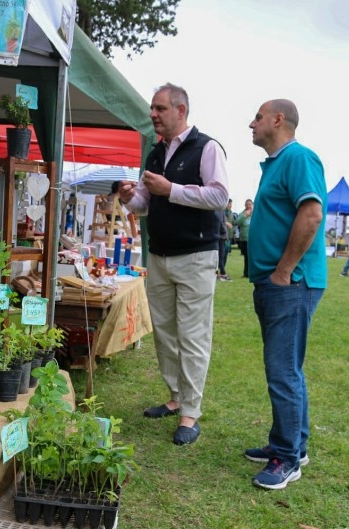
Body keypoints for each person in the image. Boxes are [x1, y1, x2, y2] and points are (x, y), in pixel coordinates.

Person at [116, 82, 229, 446]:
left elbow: (219, 196)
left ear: (181, 111)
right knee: (164, 332)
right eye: (152, 108)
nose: (153, 115)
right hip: (159, 256)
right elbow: (146, 204)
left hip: (196, 257)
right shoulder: (155, 152)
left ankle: (190, 413)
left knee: (193, 335)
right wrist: (130, 197)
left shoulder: (207, 147)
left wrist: (171, 190)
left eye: (160, 109)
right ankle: (176, 396)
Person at [243, 99, 327, 490]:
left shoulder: (299, 158)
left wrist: (284, 270)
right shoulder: (278, 163)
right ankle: (292, 443)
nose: (252, 123)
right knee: (287, 367)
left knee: (282, 370)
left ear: (278, 120)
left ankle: (287, 458)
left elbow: (311, 215)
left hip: (291, 283)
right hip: (279, 282)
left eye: (258, 117)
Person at [235, 198, 253, 277]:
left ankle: (252, 273)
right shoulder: (242, 214)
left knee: (252, 257)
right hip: (244, 239)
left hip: (253, 239)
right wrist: (245, 215)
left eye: (250, 204)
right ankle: (246, 273)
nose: (248, 206)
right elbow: (237, 222)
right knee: (246, 257)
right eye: (247, 204)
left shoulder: (256, 213)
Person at [216, 208, 231, 281]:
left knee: (220, 256)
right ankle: (222, 273)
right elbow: (221, 222)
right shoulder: (219, 209)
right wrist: (224, 233)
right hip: (220, 237)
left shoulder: (220, 209)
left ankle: (219, 273)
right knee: (220, 256)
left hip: (219, 236)